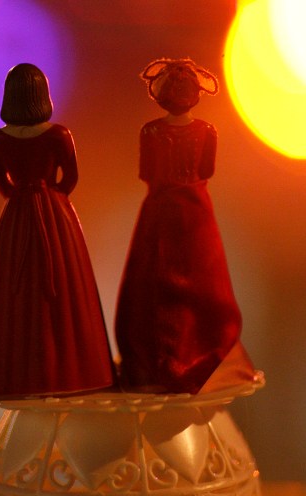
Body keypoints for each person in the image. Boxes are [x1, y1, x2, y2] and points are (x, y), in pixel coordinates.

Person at [115, 58, 255, 394]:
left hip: (160, 209)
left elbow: (146, 173)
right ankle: (199, 354)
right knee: (203, 279)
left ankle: (153, 360)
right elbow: (207, 170)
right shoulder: (207, 132)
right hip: (195, 209)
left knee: (152, 278)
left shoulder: (151, 131)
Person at [0, 63, 114, 398]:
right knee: (64, 287)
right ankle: (71, 368)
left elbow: (4, 185)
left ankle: (20, 374)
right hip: (54, 212)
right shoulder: (58, 135)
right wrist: (52, 198)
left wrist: (23, 201)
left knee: (18, 289)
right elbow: (70, 178)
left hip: (17, 215)